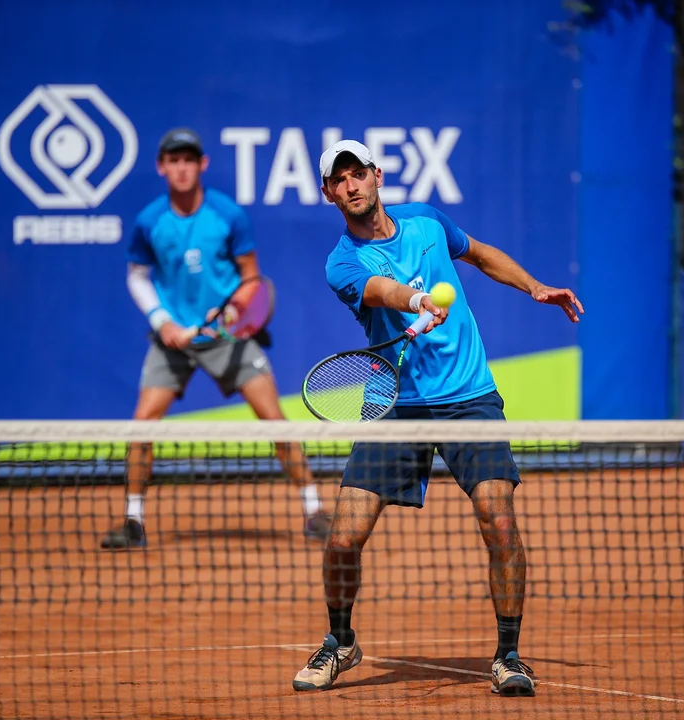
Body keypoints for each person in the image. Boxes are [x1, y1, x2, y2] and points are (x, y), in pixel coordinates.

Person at [291, 140, 584, 696]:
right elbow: (381, 290)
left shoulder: (427, 222)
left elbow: (477, 252)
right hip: (394, 401)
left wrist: (534, 286)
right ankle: (340, 642)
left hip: (469, 395)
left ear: (377, 176)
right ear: (329, 193)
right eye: (340, 180)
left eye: (359, 173)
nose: (352, 185)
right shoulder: (342, 263)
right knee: (343, 539)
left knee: (498, 519)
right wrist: (415, 301)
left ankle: (508, 654)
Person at [100, 128, 332, 550]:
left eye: (189, 159)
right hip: (172, 338)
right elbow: (137, 276)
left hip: (228, 336)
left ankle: (314, 509)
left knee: (274, 422)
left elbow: (251, 281)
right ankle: (134, 520)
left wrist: (228, 312)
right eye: (174, 160)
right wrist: (162, 320)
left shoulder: (228, 215)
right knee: (141, 426)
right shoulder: (150, 221)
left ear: (202, 164)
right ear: (162, 167)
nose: (182, 167)